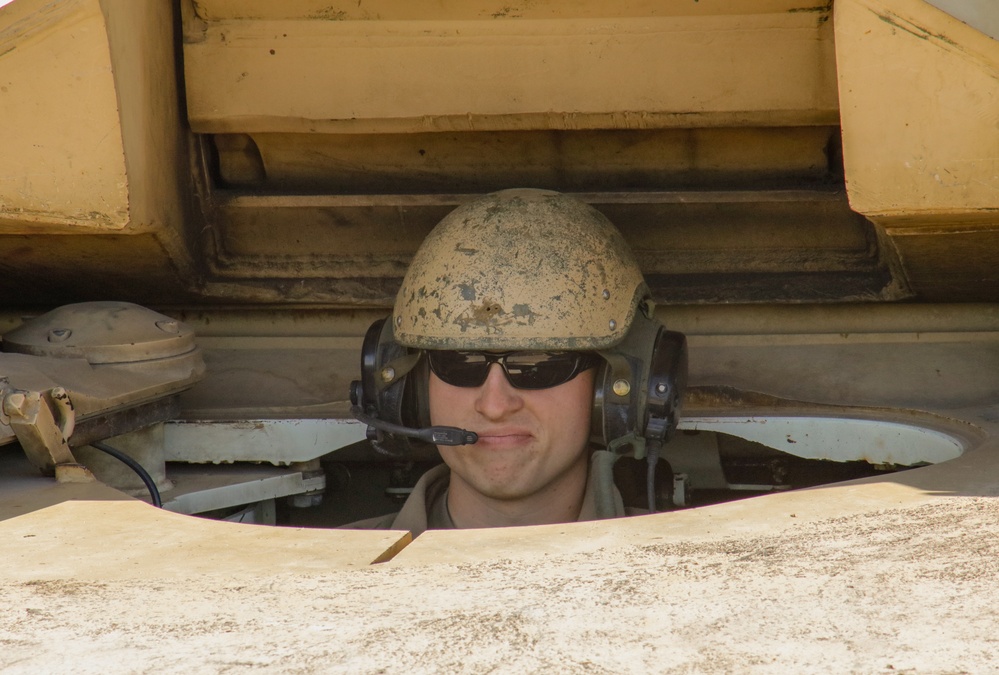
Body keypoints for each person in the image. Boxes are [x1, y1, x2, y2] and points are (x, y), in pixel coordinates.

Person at [347, 188, 686, 535]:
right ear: (414, 388)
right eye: (460, 363)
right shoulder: (330, 573)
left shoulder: (687, 577)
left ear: (616, 392)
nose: (494, 406)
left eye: (539, 364)